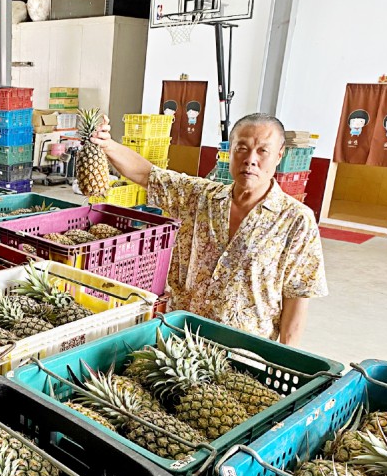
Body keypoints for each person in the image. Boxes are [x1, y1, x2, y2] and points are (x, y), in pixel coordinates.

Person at [90, 112, 328, 345]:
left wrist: (284, 359)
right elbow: (148, 175)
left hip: (243, 354)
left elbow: (297, 298)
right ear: (230, 152)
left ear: (279, 155)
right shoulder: (199, 197)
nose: (251, 159)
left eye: (262, 150)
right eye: (242, 148)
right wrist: (107, 144)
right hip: (179, 338)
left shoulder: (296, 221)